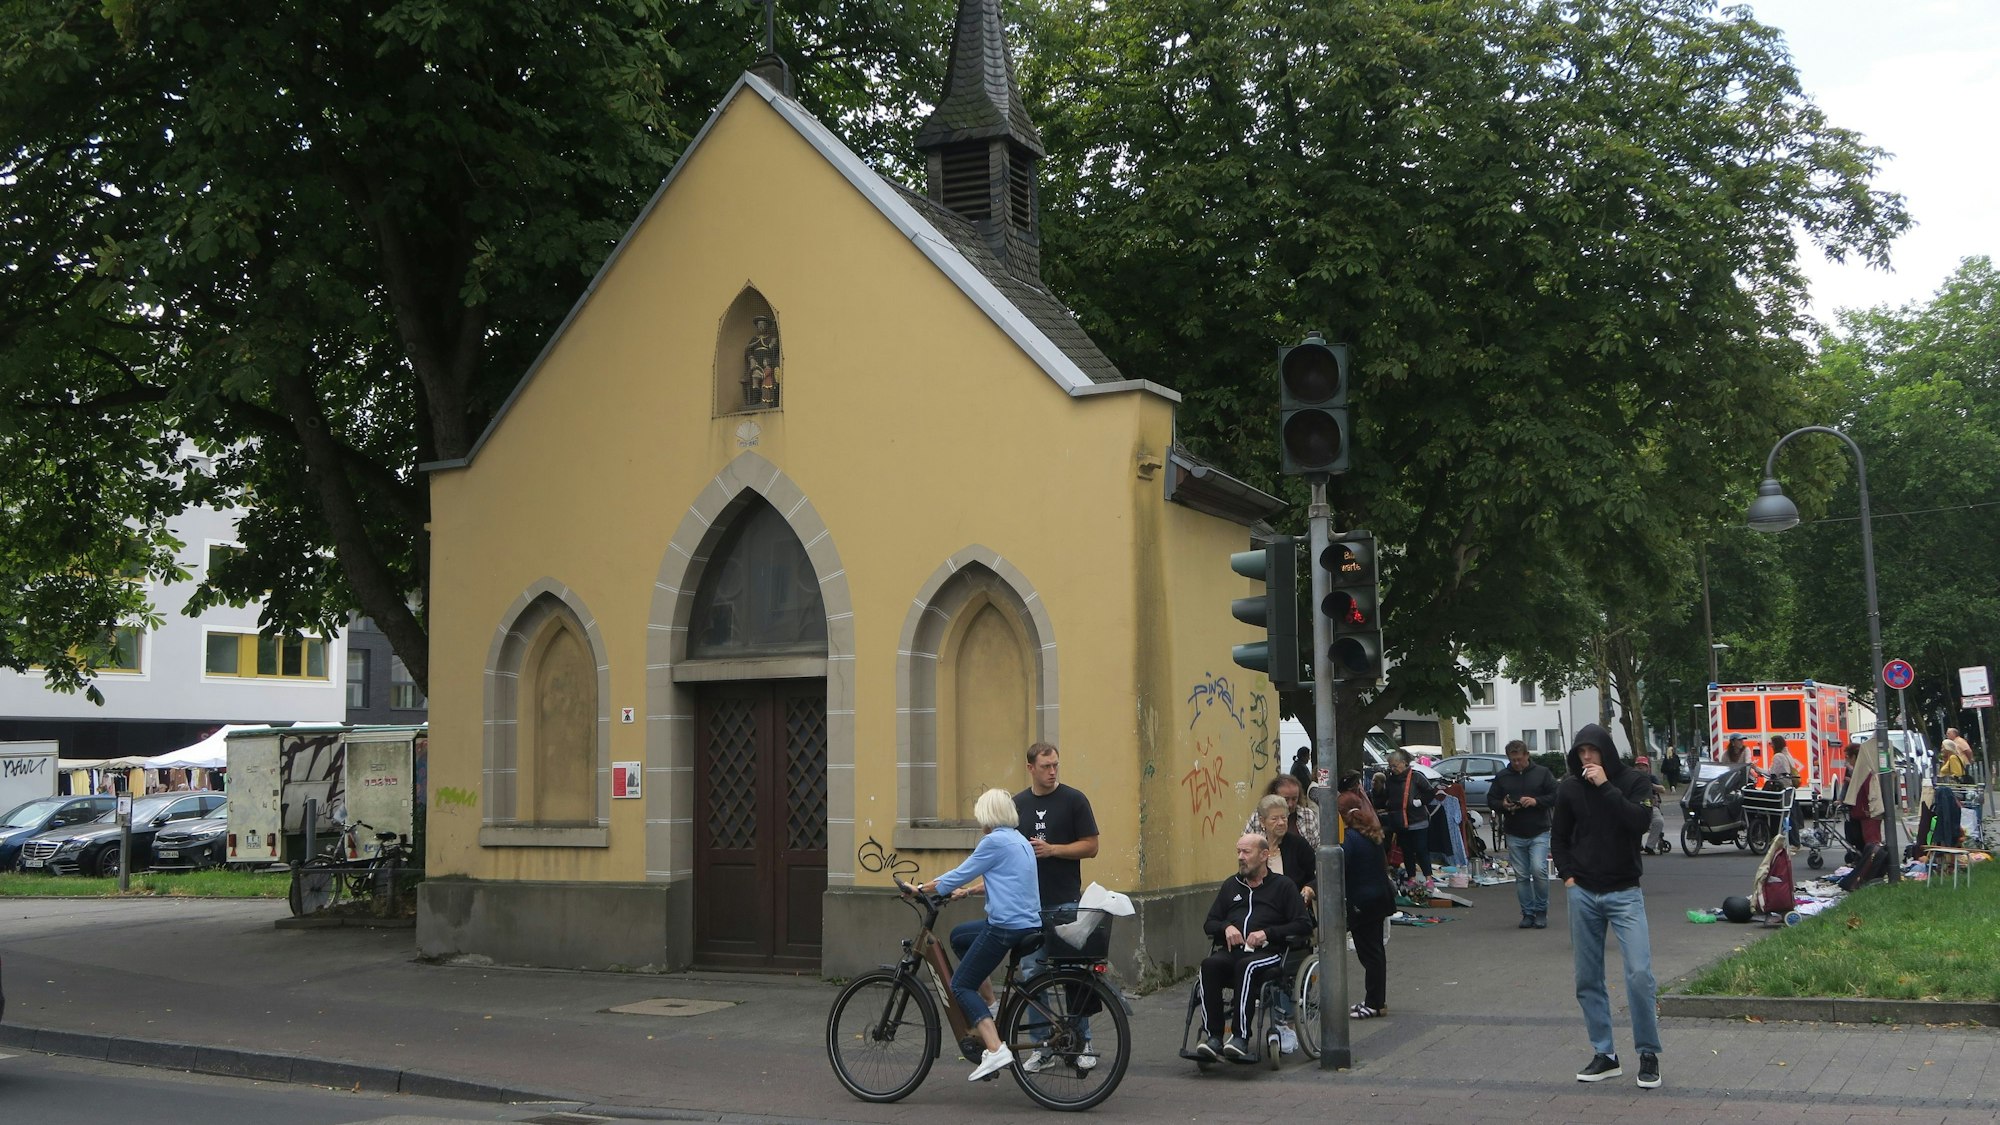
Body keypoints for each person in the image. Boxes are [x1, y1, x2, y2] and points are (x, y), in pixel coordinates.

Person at [1552, 723, 1661, 1090]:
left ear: (1606, 752)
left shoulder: (1634, 782)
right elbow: (1559, 836)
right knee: (1587, 977)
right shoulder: (1568, 787)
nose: (1586, 758)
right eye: (1581, 752)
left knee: (1639, 974)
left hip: (1624, 892)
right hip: (1583, 891)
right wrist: (1568, 877)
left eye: (1592, 750)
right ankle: (1605, 1054)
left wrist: (1605, 787)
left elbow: (1640, 822)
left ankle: (1647, 1054)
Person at [920, 788, 1040, 1082]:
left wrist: (920, 889)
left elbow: (958, 874)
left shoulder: (994, 841)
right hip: (1028, 923)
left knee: (960, 985)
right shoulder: (1018, 840)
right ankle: (990, 1004)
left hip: (1005, 926)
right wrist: (970, 891)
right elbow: (1004, 879)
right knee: (961, 936)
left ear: (988, 816)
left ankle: (996, 1048)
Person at [1013, 742, 1100, 1073]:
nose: (1052, 772)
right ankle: (1042, 1045)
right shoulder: (1017, 804)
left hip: (1064, 900)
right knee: (1032, 974)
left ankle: (1082, 1041)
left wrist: (1054, 850)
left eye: (1056, 766)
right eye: (1046, 766)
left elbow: (1091, 847)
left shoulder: (1074, 800)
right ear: (1030, 768)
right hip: (1026, 905)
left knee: (1073, 973)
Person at [1194, 832, 1312, 1062]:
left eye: (1246, 852)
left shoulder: (1283, 886)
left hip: (1269, 954)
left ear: (1264, 855)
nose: (1240, 857)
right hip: (1234, 952)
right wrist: (1226, 927)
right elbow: (1210, 923)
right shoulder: (1231, 885)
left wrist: (1267, 933)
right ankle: (1214, 1037)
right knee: (1209, 965)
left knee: (1246, 968)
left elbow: (1303, 924)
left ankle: (1240, 1037)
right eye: (1238, 851)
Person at [1256, 793, 1316, 1054]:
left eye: (1284, 817)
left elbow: (1316, 876)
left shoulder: (1298, 846)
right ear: (1262, 822)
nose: (1281, 822)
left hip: (1292, 920)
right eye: (1275, 818)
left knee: (1285, 963)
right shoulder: (1255, 848)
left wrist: (1308, 889)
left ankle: (1286, 1022)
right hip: (1260, 920)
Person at [1487, 738, 1558, 929]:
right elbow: (1491, 799)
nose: (1517, 763)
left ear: (1527, 755)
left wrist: (1536, 801)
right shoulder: (1502, 776)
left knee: (1539, 870)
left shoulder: (1542, 773)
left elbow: (1556, 795)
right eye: (1513, 760)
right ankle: (1527, 913)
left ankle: (1541, 910)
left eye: (1520, 759)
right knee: (1521, 875)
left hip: (1539, 830)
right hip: (1514, 831)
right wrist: (1503, 805)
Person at [1343, 806, 1397, 1019]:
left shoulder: (1350, 839)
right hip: (1379, 900)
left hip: (1362, 903)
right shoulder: (1373, 838)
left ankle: (1374, 1002)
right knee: (1376, 952)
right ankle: (1375, 1000)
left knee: (1370, 954)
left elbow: (1341, 864)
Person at [1372, 750, 1437, 880]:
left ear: (1404, 763)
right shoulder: (1390, 780)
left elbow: (1430, 792)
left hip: (1418, 821)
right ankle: (1411, 878)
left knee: (1421, 849)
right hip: (1400, 822)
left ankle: (1429, 878)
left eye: (1394, 765)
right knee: (1406, 851)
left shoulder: (1416, 777)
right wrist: (1377, 790)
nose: (1392, 769)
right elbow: (1383, 800)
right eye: (1390, 766)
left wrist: (1419, 802)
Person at [1243, 772, 1321, 847]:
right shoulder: (1259, 816)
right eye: (1286, 799)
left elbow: (1316, 847)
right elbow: (1245, 846)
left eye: (1294, 799)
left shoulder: (1307, 815)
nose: (1290, 804)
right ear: (1274, 795)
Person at [1840, 738, 1885, 849]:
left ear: (1855, 757)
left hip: (1866, 811)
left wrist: (1868, 810)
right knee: (1867, 839)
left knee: (1871, 840)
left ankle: (1872, 863)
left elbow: (1868, 791)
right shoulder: (1863, 769)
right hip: (1865, 811)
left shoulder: (1863, 771)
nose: (1847, 761)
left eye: (1848, 757)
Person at [1630, 756, 1669, 855]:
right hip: (1636, 806)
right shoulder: (1631, 778)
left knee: (1658, 821)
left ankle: (1650, 846)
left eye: (1643, 766)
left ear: (1647, 768)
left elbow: (1662, 789)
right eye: (1638, 766)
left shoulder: (1651, 778)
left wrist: (1650, 785)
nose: (1640, 768)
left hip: (1651, 806)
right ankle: (1636, 844)